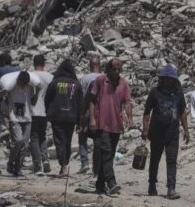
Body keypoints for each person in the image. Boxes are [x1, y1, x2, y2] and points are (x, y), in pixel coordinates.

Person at [141, 64, 189, 199]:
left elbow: (182, 112)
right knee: (155, 160)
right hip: (156, 132)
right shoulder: (154, 92)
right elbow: (147, 112)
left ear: (174, 80)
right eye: (165, 79)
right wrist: (145, 129)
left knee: (172, 161)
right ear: (161, 79)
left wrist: (186, 130)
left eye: (170, 79)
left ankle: (171, 189)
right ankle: (152, 184)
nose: (168, 81)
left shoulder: (178, 94)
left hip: (172, 133)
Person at [87, 59, 132, 196]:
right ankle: (111, 183)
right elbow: (92, 101)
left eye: (119, 69)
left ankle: (100, 185)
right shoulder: (100, 81)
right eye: (114, 69)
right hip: (102, 124)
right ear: (108, 69)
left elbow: (127, 103)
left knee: (109, 155)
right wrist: (92, 118)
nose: (117, 72)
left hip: (116, 124)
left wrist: (129, 118)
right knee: (106, 153)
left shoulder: (123, 83)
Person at [45, 59, 83, 178]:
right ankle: (65, 163)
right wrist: (79, 121)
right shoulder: (76, 84)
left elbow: (47, 99)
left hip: (57, 117)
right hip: (71, 117)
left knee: (59, 141)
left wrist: (48, 113)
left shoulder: (54, 83)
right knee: (67, 141)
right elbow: (80, 104)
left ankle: (63, 165)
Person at [6, 71, 36, 178]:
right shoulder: (11, 86)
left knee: (25, 145)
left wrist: (38, 91)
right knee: (18, 141)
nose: (23, 85)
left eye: (25, 83)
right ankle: (10, 162)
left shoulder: (30, 87)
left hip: (27, 118)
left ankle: (18, 168)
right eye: (22, 82)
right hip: (14, 118)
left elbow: (33, 101)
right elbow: (4, 94)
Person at [28, 54, 54, 174]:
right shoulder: (50, 77)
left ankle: (37, 165)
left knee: (34, 137)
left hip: (32, 111)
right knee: (42, 136)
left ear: (34, 63)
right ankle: (45, 159)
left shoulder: (30, 75)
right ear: (44, 64)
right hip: (45, 111)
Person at [78, 55, 102, 175]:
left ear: (90, 66)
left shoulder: (84, 79)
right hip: (100, 112)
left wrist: (80, 115)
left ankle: (85, 162)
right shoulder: (104, 78)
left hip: (86, 111)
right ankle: (96, 165)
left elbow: (82, 97)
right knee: (98, 139)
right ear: (100, 66)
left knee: (82, 137)